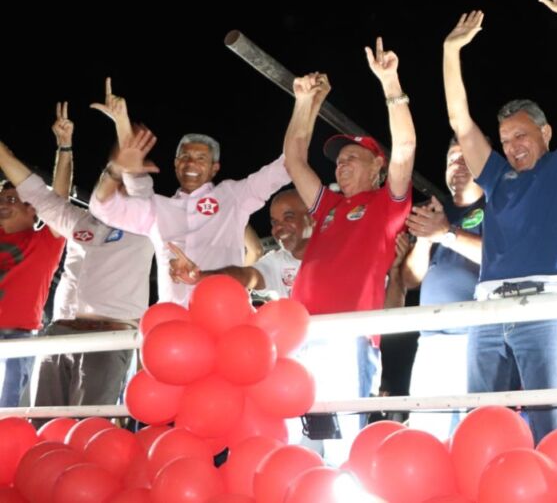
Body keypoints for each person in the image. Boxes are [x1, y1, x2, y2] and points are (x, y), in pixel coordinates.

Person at [442, 0, 557, 442]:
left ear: (546, 132)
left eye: (521, 136)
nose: (512, 146)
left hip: (548, 307)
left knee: (554, 432)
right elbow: (459, 122)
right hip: (489, 310)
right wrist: (451, 53)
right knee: (482, 430)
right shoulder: (495, 177)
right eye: (506, 140)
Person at [282, 37, 415, 462]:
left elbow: (407, 148)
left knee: (342, 457)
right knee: (297, 449)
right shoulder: (329, 207)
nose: (341, 164)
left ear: (378, 166)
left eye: (353, 157)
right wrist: (304, 103)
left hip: (348, 340)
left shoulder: (386, 206)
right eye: (339, 159)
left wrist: (391, 84)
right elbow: (294, 161)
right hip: (297, 338)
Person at [1, 105, 154, 411]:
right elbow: (38, 191)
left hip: (108, 337)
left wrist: (122, 124)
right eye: (106, 181)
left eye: (118, 183)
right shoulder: (78, 221)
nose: (110, 188)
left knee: (88, 429)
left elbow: (136, 178)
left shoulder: (144, 222)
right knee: (42, 426)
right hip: (59, 334)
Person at [89, 80, 290, 306]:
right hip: (175, 325)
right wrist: (116, 167)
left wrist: (304, 107)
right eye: (184, 157)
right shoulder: (158, 210)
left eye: (201, 159)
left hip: (226, 320)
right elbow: (102, 208)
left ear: (215, 168)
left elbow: (286, 166)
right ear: (175, 164)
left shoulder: (233, 197)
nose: (190, 164)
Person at [399, 140, 484, 440]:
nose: (457, 166)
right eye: (451, 160)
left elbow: (501, 259)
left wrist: (446, 233)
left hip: (474, 341)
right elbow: (409, 280)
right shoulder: (435, 212)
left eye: (465, 158)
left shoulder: (498, 206)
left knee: (471, 436)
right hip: (431, 342)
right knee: (427, 435)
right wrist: (425, 238)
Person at [0, 104, 73, 406]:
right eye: (1, 198)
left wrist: (64, 146)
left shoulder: (45, 241)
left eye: (13, 198)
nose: (4, 202)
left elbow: (60, 199)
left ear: (34, 209)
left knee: (7, 419)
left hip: (16, 342)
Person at [167, 188, 312, 299]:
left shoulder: (334, 253)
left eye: (288, 217)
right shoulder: (276, 262)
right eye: (275, 222)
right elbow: (247, 275)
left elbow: (255, 250)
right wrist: (201, 276)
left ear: (313, 217)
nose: (278, 228)